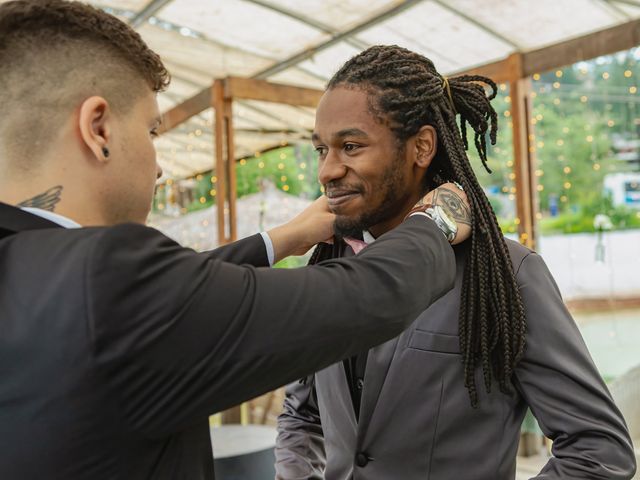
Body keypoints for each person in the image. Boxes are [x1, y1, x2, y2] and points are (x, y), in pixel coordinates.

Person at [0, 4, 472, 479]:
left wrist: (282, 240)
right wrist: (435, 224)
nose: (159, 165)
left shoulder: (38, 276)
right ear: (98, 128)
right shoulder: (105, 284)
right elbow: (363, 296)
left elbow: (163, 298)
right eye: (150, 131)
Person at [275, 45, 637, 480]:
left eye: (350, 146)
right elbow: (301, 415)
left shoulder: (508, 276)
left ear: (421, 147)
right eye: (321, 150)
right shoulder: (325, 266)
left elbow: (598, 451)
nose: (328, 170)